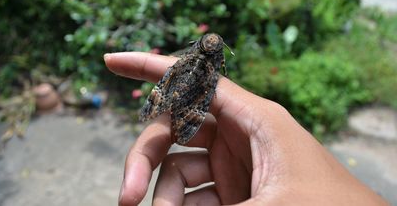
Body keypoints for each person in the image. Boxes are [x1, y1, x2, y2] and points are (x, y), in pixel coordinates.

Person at [104, 52, 389, 206]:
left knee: (168, 96)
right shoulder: (209, 71)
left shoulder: (190, 60)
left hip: (183, 83)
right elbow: (209, 86)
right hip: (194, 91)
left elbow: (177, 79)